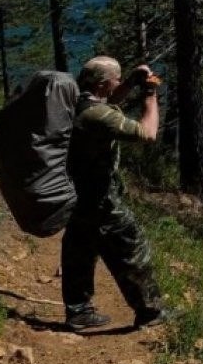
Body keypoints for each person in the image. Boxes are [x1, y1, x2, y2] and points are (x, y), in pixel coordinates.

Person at [61, 55, 167, 332]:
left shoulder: (78, 105)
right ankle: (150, 311)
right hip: (101, 196)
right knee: (132, 246)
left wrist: (131, 81)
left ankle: (78, 311)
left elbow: (110, 102)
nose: (118, 84)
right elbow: (147, 133)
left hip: (78, 191)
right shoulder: (97, 116)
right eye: (116, 80)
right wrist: (150, 93)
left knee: (79, 248)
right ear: (104, 83)